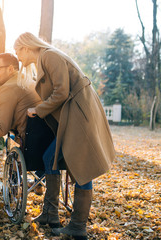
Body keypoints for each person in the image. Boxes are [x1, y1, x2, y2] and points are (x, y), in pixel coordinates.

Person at [14, 32, 115, 239]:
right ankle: (50, 214)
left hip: (79, 114)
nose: (19, 58)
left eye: (18, 52)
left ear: (25, 47)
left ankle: (78, 227)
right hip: (73, 114)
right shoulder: (44, 60)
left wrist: (38, 109)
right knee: (49, 158)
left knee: (81, 168)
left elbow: (61, 92)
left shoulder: (49, 56)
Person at [0, 53, 41, 148]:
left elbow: (1, 128)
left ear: (10, 69)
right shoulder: (27, 79)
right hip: (43, 134)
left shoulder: (8, 88)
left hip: (29, 141)